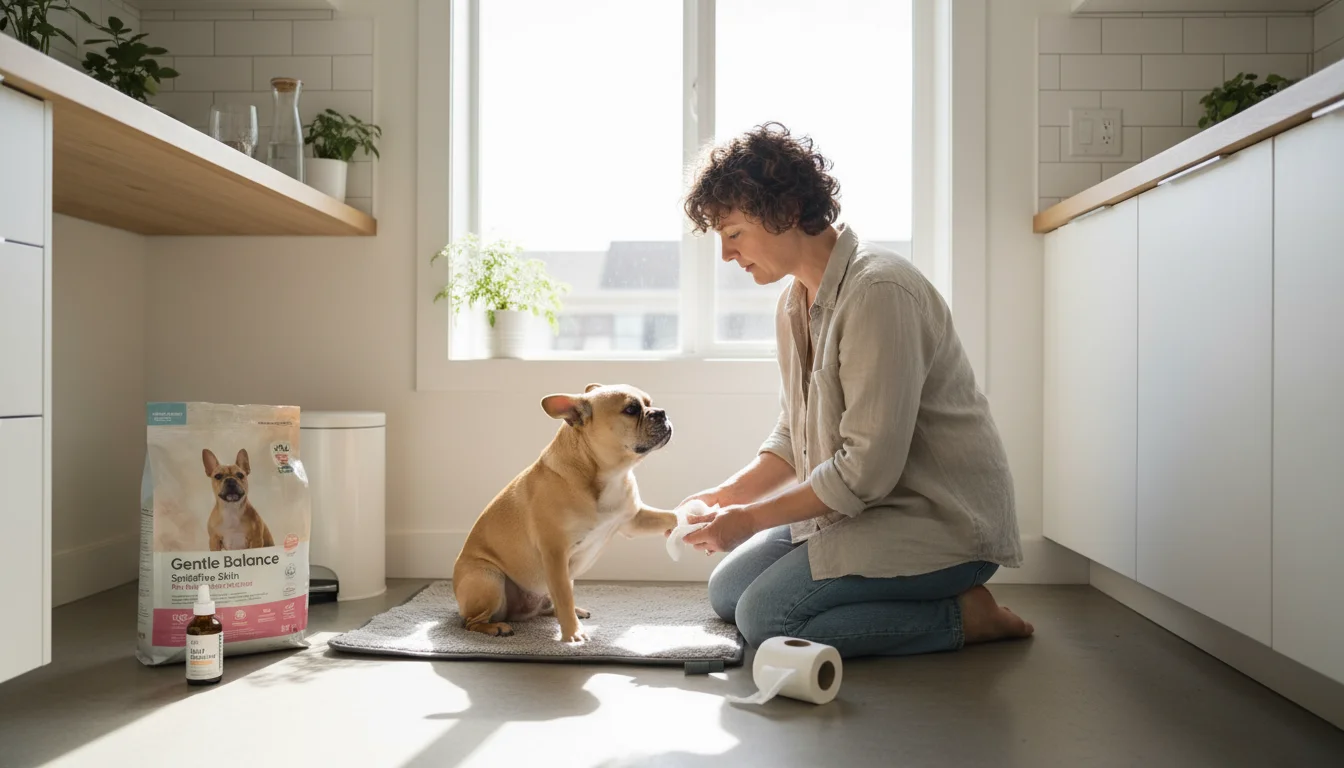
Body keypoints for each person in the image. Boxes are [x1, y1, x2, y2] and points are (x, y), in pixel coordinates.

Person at [676, 122, 1034, 659]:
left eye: (733, 233)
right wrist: (726, 499)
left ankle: (963, 616)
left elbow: (866, 469)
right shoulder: (795, 302)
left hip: (938, 521)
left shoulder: (879, 292)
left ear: (786, 209)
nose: (727, 255)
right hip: (863, 510)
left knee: (764, 619)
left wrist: (750, 520)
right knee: (727, 592)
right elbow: (791, 434)